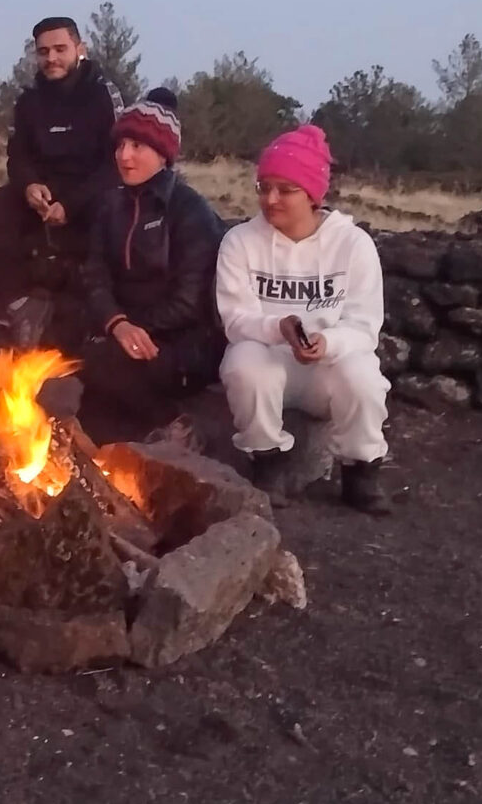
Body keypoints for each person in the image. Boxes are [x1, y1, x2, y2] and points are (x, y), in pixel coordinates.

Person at [215, 124, 392, 513]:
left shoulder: (352, 245)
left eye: (285, 189)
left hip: (328, 363)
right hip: (270, 356)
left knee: (364, 376)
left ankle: (361, 469)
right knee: (243, 363)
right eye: (264, 187)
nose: (270, 199)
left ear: (312, 194)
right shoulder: (240, 242)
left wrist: (329, 343)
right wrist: (277, 328)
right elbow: (235, 318)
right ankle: (268, 462)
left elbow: (364, 326)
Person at [75, 88, 225, 430]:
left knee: (103, 364)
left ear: (163, 153)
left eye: (137, 146)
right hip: (127, 332)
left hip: (185, 344)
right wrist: (117, 323)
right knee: (93, 395)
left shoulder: (190, 211)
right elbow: (95, 276)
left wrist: (133, 327)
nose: (124, 156)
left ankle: (173, 427)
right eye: (120, 145)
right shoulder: (110, 206)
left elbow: (190, 301)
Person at [0, 15, 124, 345]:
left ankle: (102, 316)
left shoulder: (103, 95)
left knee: (113, 213)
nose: (51, 58)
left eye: (60, 49)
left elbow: (116, 163)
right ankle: (19, 304)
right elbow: (18, 155)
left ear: (79, 49)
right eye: (43, 52)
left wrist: (70, 205)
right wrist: (29, 185)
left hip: (91, 190)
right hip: (43, 190)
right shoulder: (30, 100)